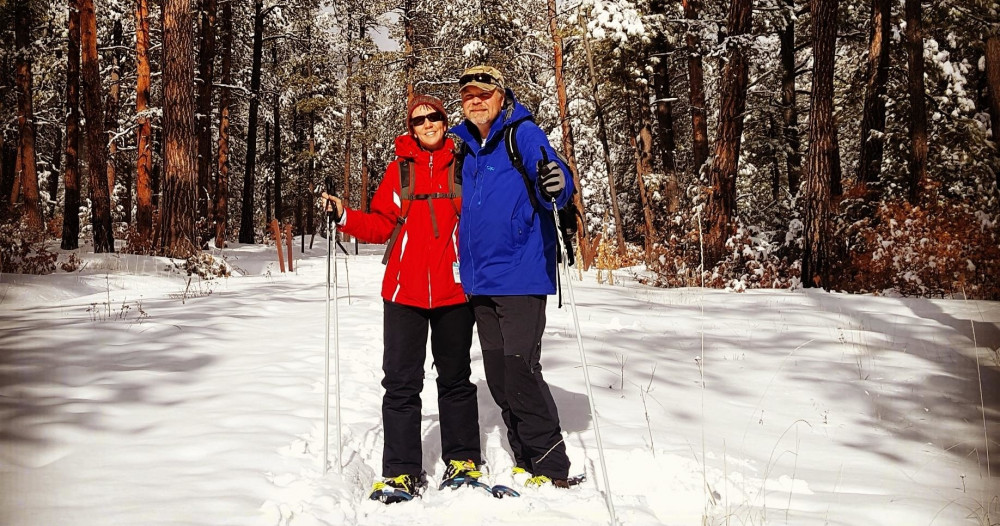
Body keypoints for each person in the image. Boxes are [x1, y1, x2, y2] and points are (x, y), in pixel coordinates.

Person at [322, 95, 482, 502]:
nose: (428, 124)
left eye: (434, 117)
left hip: (454, 291)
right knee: (400, 384)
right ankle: (400, 471)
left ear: (445, 122)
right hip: (403, 292)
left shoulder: (465, 165)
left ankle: (462, 460)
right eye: (419, 120)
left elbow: (485, 218)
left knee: (456, 379)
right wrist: (345, 216)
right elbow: (379, 225)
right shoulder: (400, 172)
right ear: (411, 128)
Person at [451, 65, 574, 488]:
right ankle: (524, 457)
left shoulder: (522, 132)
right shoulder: (465, 147)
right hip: (480, 280)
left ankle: (552, 467)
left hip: (521, 273)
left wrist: (559, 185)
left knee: (521, 368)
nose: (476, 100)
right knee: (500, 376)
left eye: (484, 93)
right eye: (468, 94)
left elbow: (552, 175)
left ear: (502, 97)